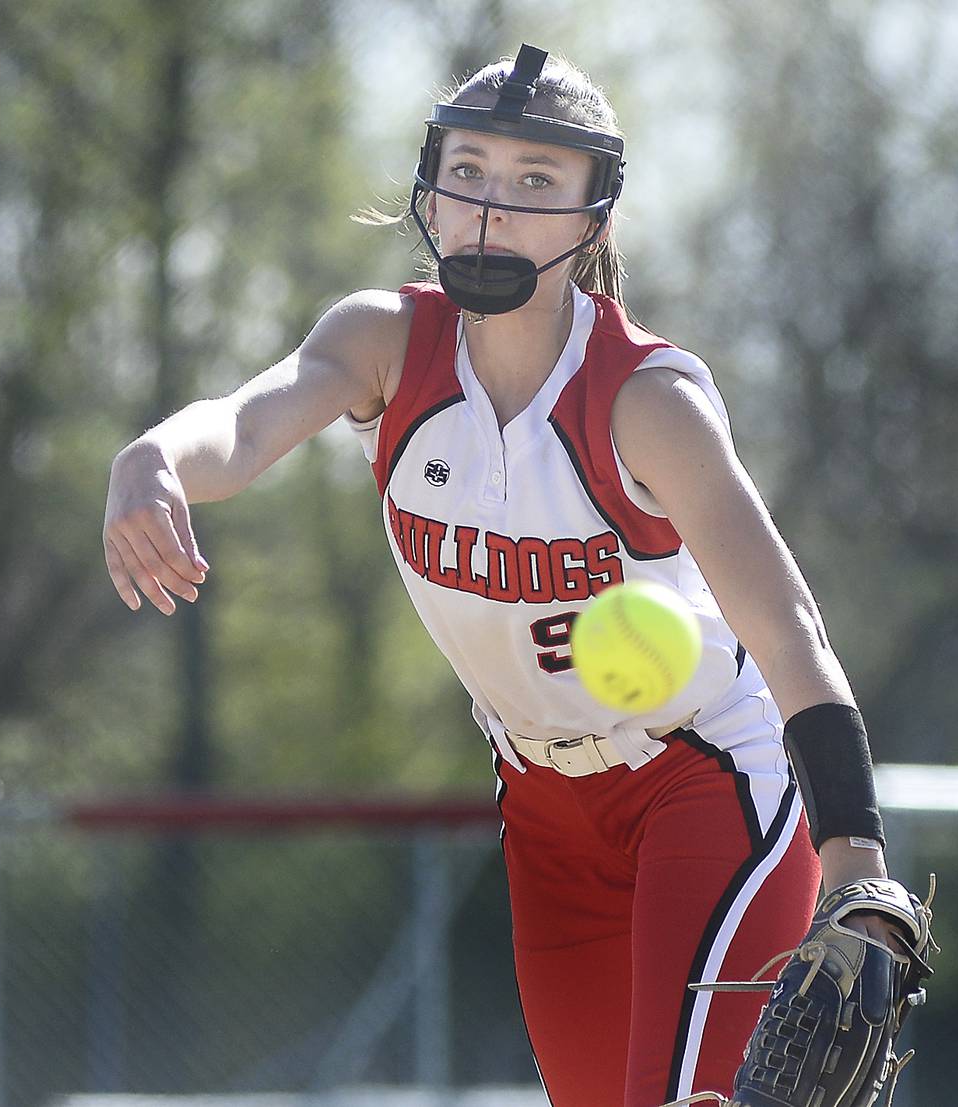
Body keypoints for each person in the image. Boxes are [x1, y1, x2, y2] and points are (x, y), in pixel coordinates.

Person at [103, 45, 904, 1107]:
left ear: (595, 216)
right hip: (540, 809)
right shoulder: (385, 344)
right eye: (469, 168)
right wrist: (151, 456)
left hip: (704, 783)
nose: (491, 205)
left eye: (537, 181)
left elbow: (787, 622)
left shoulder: (644, 399)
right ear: (432, 184)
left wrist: (854, 852)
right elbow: (247, 425)